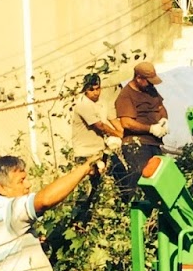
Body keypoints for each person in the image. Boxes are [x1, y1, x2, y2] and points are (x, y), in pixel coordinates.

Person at [114, 59, 170, 194]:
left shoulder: (150, 90)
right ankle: (134, 207)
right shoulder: (126, 95)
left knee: (160, 175)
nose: (150, 84)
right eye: (148, 81)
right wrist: (150, 128)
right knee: (141, 176)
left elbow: (160, 107)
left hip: (153, 142)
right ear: (139, 78)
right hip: (136, 143)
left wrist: (164, 120)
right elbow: (126, 122)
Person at [70, 72, 123, 160]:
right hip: (85, 152)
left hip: (100, 150)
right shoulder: (83, 104)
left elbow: (113, 119)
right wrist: (119, 135)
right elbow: (100, 126)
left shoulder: (103, 102)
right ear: (85, 90)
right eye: (91, 90)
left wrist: (125, 134)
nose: (95, 92)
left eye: (97, 89)